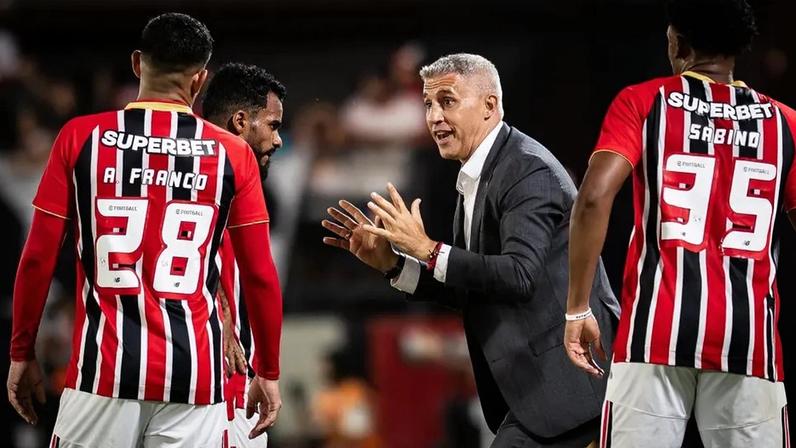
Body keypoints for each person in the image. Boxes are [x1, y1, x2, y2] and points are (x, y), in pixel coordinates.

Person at [7, 13, 283, 447]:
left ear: (138, 63)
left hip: (103, 371)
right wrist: (268, 370)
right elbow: (261, 276)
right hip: (195, 377)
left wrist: (21, 352)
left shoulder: (80, 138)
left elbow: (38, 257)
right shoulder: (232, 154)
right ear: (200, 80)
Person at [322, 53, 620, 447]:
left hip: (572, 387)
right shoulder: (482, 171)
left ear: (489, 106)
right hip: (541, 394)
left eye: (447, 101)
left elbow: (518, 275)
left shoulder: (527, 170)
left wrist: (429, 248)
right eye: (428, 104)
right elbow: (473, 285)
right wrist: (395, 264)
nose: (433, 117)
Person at [565, 0, 793, 446]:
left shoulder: (643, 102)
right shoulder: (786, 123)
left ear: (678, 42)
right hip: (748, 338)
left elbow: (592, 199)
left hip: (654, 330)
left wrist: (578, 307)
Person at [201, 62, 287, 448]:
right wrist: (222, 314)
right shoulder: (211, 172)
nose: (279, 139)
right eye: (273, 125)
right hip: (216, 379)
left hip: (229, 378)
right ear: (240, 121)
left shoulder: (238, 178)